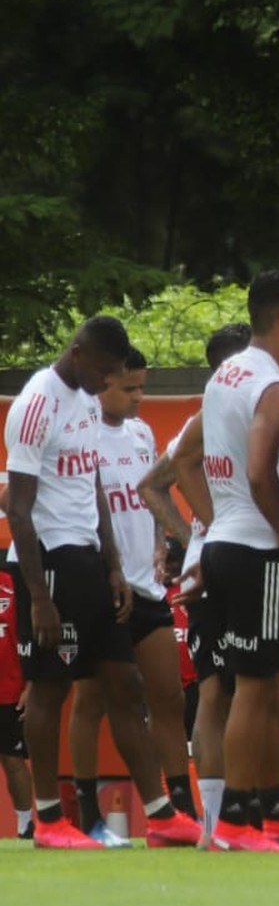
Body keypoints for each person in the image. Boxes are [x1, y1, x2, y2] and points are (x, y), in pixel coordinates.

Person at [2, 315, 202, 849]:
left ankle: (161, 815)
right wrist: (39, 597)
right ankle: (49, 820)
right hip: (48, 560)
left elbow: (93, 487)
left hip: (89, 559)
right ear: (79, 355)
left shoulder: (88, 402)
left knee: (126, 683)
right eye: (105, 370)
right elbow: (17, 508)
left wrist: (113, 566)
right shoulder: (36, 404)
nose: (109, 381)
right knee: (51, 688)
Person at [201, 271, 279, 851]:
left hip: (224, 541)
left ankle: (269, 816)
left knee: (269, 686)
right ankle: (236, 821)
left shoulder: (226, 373)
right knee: (254, 688)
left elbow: (198, 459)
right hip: (257, 551)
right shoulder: (271, 386)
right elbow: (258, 471)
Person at [69, 348, 197, 846]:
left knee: (168, 696)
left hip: (147, 585)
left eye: (144, 388)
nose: (139, 398)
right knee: (92, 700)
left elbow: (147, 497)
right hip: (104, 586)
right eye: (130, 389)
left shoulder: (142, 434)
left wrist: (162, 544)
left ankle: (179, 809)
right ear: (103, 383)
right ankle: (87, 814)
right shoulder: (80, 435)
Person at [138, 321, 250, 840]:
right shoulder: (211, 420)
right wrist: (196, 538)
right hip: (231, 563)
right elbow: (152, 485)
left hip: (226, 560)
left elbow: (151, 486)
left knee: (229, 692)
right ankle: (222, 821)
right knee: (226, 691)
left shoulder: (237, 412)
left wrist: (194, 540)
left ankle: (230, 820)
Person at [0, 567, 35, 838]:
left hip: (9, 689)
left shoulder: (12, 584)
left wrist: (30, 684)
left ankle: (26, 824)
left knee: (12, 760)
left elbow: (28, 634)